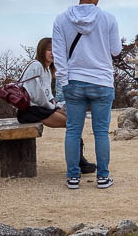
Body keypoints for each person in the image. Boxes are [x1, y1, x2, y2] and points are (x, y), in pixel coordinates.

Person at [52, 0, 121, 190]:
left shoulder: (61, 19)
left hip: (73, 80)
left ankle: (73, 178)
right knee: (101, 131)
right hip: (101, 80)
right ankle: (103, 177)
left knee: (73, 130)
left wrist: (64, 80)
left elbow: (58, 54)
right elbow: (116, 50)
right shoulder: (108, 19)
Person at [17, 37, 96, 174]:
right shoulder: (36, 66)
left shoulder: (47, 69)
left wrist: (56, 104)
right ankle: (78, 162)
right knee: (72, 123)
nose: (52, 53)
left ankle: (79, 159)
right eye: (49, 50)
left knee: (74, 118)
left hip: (40, 108)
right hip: (30, 110)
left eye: (55, 50)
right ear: (42, 50)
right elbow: (37, 95)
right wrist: (53, 106)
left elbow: (47, 94)